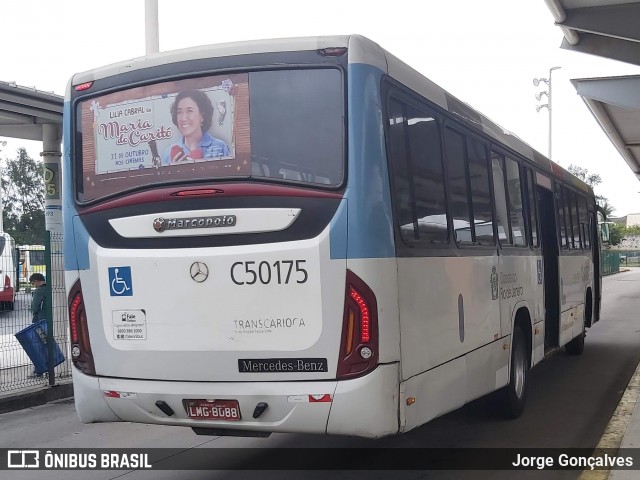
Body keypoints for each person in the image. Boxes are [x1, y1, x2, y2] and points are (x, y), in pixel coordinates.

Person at [162, 89, 230, 165]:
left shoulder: (220, 147)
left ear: (202, 116)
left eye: (190, 111)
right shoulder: (168, 152)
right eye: (179, 112)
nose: (183, 118)